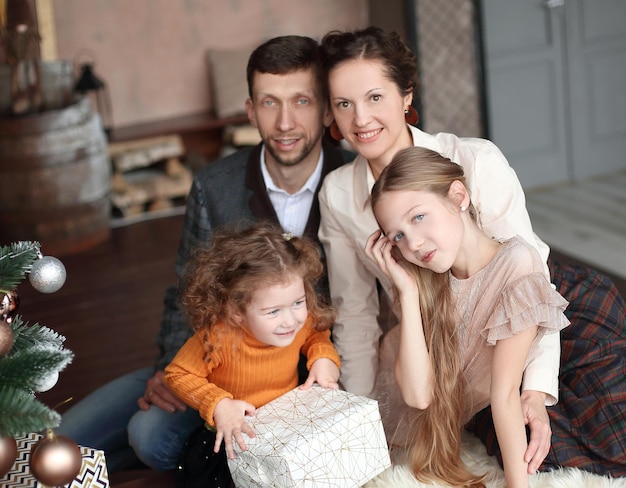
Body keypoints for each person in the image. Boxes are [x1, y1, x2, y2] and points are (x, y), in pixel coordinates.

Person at [56, 34, 353, 472]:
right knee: (64, 436)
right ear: (250, 111)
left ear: (327, 109)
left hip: (299, 373)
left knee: (150, 436)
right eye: (270, 103)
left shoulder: (352, 178)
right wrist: (167, 373)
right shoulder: (214, 187)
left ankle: (204, 459)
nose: (286, 122)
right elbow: (185, 292)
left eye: (302, 101)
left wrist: (327, 367)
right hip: (213, 361)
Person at [317, 26, 557, 473]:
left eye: (374, 97)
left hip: (526, 325)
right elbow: (355, 313)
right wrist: (364, 416)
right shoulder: (337, 194)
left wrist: (537, 389)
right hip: (438, 349)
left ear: (406, 95)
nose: (360, 120)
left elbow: (533, 275)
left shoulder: (473, 160)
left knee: (568, 440)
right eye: (343, 104)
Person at [365, 146, 626, 486]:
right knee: (561, 449)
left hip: (565, 311)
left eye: (418, 217)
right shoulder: (423, 280)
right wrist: (407, 292)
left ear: (458, 196)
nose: (412, 243)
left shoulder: (515, 264)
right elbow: (417, 397)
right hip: (456, 385)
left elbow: (503, 394)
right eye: (397, 235)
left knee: (612, 426)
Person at [164, 221, 340, 486]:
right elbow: (177, 374)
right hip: (235, 442)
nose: (290, 320)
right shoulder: (219, 337)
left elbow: (317, 333)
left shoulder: (301, 324)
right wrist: (219, 403)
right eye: (273, 311)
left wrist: (323, 357)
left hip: (287, 430)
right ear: (237, 311)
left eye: (298, 303)